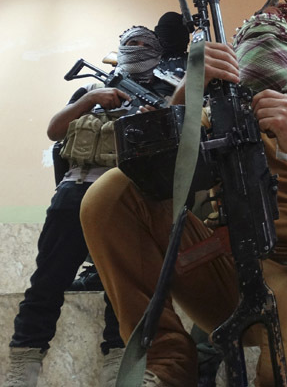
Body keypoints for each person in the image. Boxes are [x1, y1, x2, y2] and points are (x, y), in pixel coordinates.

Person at [80, 7, 287, 387]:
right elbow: (147, 173)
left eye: (278, 40)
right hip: (223, 271)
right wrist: (186, 93)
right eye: (252, 41)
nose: (265, 49)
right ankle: (167, 357)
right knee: (109, 195)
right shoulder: (214, 116)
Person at [3, 26, 173, 387]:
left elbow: (174, 150)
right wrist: (90, 99)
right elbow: (54, 131)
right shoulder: (91, 88)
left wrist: (149, 119)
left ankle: (117, 359)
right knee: (47, 280)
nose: (137, 50)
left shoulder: (166, 94)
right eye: (131, 44)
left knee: (122, 284)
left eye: (146, 46)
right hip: (75, 189)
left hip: (125, 196)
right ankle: (25, 360)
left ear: (158, 54)